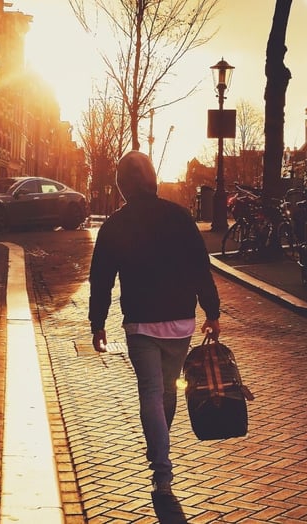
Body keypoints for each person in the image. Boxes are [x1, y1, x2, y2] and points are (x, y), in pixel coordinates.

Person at [88, 150, 221, 497]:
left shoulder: (116, 225)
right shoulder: (179, 217)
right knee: (167, 389)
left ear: (121, 185)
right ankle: (160, 447)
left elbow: (100, 278)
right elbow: (199, 267)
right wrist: (213, 311)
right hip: (180, 320)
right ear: (152, 179)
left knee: (151, 391)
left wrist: (97, 322)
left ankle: (161, 466)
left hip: (141, 324)